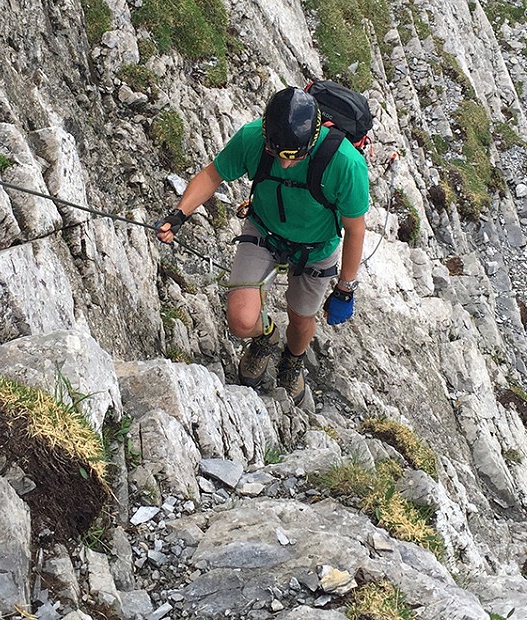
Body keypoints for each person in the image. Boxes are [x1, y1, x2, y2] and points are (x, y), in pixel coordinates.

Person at [156, 86, 369, 401]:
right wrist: (179, 214)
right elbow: (212, 176)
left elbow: (355, 229)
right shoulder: (253, 137)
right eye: (277, 155)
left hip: (317, 248)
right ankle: (266, 338)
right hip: (264, 230)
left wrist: (345, 286)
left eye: (294, 157)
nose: (284, 165)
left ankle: (292, 361)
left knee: (301, 318)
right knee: (241, 321)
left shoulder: (346, 164)